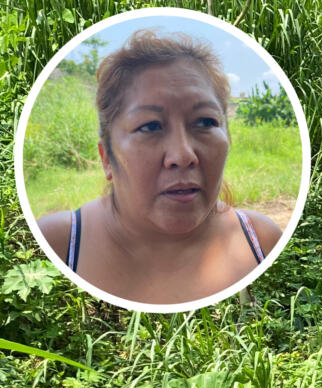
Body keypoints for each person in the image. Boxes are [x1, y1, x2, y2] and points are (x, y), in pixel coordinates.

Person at [38, 30, 282, 305]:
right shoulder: (55, 245)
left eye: (205, 122)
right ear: (107, 158)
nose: (183, 155)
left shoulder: (261, 241)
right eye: (150, 126)